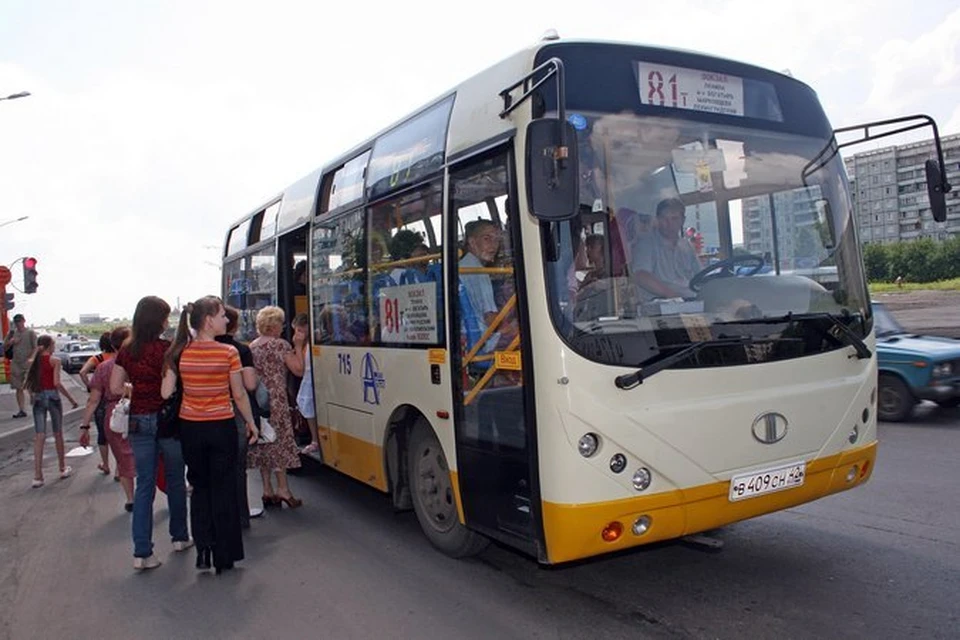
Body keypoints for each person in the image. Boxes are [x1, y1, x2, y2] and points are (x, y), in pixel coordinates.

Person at [163, 296, 258, 574]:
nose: (226, 320)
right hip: (221, 426)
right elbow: (239, 394)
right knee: (223, 488)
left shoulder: (178, 353)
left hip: (190, 428)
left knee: (200, 487)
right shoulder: (228, 353)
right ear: (208, 320)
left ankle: (203, 550)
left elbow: (165, 393)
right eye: (221, 315)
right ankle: (224, 555)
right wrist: (251, 423)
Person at [110, 295, 191, 571]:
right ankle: (180, 537)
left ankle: (142, 552)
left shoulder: (127, 349)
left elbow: (115, 386)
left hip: (137, 421)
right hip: (166, 420)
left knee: (144, 485)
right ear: (158, 320)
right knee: (175, 479)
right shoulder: (166, 350)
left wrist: (137, 389)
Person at [247, 306, 304, 508]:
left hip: (259, 400)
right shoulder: (280, 345)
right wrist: (298, 346)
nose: (283, 327)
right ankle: (283, 489)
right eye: (280, 322)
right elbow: (298, 370)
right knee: (278, 443)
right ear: (274, 325)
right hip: (277, 400)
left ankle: (266, 490)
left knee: (264, 441)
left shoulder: (252, 346)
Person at [215, 305, 263, 528]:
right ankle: (241, 516)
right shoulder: (239, 350)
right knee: (237, 467)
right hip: (234, 410)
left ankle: (218, 517)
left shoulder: (195, 348)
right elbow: (249, 385)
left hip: (203, 413)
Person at [79, 327, 135, 510]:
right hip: (138, 409)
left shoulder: (103, 368)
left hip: (114, 414)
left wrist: (85, 426)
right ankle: (145, 495)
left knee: (122, 457)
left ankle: (130, 498)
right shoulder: (138, 362)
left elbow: (93, 400)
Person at [25, 335, 79, 488]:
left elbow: (28, 381)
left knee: (39, 435)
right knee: (58, 433)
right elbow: (57, 383)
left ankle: (37, 476)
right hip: (53, 397)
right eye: (53, 344)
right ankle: (62, 468)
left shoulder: (33, 363)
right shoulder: (55, 361)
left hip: (38, 397)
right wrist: (71, 399)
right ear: (49, 346)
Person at [459, 220, 517, 351]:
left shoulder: (463, 266)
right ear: (472, 242)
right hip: (483, 342)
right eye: (487, 239)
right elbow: (490, 319)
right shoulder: (479, 271)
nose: (494, 245)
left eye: (497, 240)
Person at [632, 198, 703, 301]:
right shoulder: (646, 243)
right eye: (664, 218)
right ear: (657, 219)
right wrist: (672, 296)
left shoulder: (686, 246)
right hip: (660, 306)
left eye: (674, 218)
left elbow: (700, 276)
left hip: (690, 301)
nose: (669, 224)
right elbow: (641, 276)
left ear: (683, 220)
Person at [78, 331, 115, 477]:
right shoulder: (120, 358)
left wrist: (90, 386)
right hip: (118, 398)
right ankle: (120, 468)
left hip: (101, 399)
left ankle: (105, 464)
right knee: (120, 433)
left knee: (102, 434)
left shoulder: (98, 359)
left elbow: (82, 372)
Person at [292, 313, 319, 456]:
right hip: (310, 380)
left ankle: (315, 440)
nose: (297, 334)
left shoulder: (309, 345)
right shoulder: (307, 344)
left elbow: (301, 369)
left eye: (300, 330)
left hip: (311, 380)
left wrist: (297, 346)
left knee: (310, 408)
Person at [3, 313, 38, 418]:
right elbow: (4, 348)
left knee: (29, 384)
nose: (18, 324)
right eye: (16, 322)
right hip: (16, 363)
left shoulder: (30, 333)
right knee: (18, 387)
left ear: (24, 321)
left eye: (19, 321)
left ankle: (34, 399)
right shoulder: (12, 333)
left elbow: (36, 347)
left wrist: (32, 358)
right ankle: (21, 410)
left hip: (28, 362)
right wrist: (11, 342)